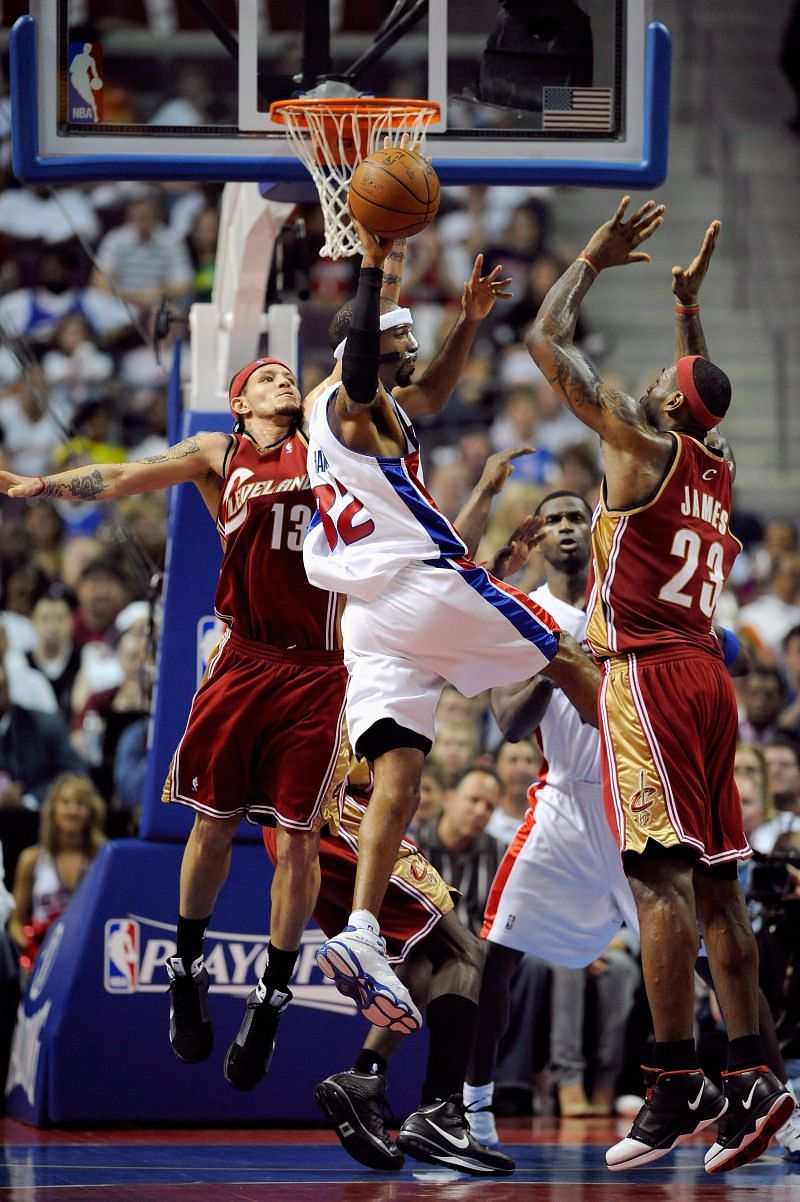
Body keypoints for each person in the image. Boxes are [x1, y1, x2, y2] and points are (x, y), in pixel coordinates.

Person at [526, 195, 793, 1173]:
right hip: (707, 675)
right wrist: (685, 317)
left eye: (658, 381)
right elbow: (702, 397)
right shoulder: (712, 469)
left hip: (643, 673)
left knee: (657, 877)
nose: (642, 385)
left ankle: (672, 1077)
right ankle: (754, 1070)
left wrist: (592, 255)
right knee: (718, 882)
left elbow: (546, 340)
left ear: (669, 407)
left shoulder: (637, 449)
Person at [0, 358, 350, 1092]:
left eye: (291, 376)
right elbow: (123, 477)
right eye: (268, 379)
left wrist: (381, 265)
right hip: (246, 661)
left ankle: (272, 995)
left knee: (297, 843)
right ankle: (186, 965)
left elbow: (361, 356)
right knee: (213, 828)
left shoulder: (325, 435)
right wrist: (41, 485)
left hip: (321, 670)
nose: (285, 384)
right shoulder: (218, 455)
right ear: (238, 401)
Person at [303, 218, 600, 1033]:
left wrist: (468, 318)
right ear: (378, 346)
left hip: (367, 617)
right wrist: (372, 266)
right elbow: (375, 364)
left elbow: (428, 390)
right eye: (403, 344)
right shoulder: (355, 400)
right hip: (418, 584)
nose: (411, 359)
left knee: (398, 777)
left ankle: (362, 933)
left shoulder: (337, 411)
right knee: (565, 653)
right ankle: (655, 777)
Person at [465, 490, 640, 1137]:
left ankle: (757, 1090)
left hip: (633, 798)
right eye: (556, 520)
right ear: (538, 538)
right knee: (497, 956)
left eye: (577, 517)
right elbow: (509, 724)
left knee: (710, 948)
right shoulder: (525, 613)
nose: (567, 528)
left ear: (593, 530)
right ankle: (474, 1109)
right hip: (564, 799)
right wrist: (556, 661)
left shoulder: (625, 599)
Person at [265, 764, 513, 1177]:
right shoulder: (359, 712)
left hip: (298, 824)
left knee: (423, 954)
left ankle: (364, 1079)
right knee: (467, 952)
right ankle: (440, 1110)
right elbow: (374, 764)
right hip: (340, 816)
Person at [7, 771, 106, 976]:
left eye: (80, 803)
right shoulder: (31, 859)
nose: (72, 810)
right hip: (41, 962)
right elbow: (15, 922)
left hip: (90, 958)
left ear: (91, 812)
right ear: (52, 809)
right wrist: (34, 949)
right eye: (65, 802)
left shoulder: (103, 858)